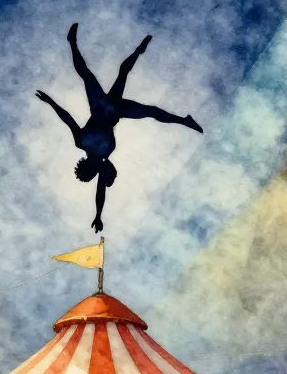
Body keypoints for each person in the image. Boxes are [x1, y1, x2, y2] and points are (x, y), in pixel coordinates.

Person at [37, 23, 203, 232]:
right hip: (115, 110)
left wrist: (51, 102)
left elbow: (68, 119)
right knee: (142, 99)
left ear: (90, 168)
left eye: (94, 173)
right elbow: (101, 191)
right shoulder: (102, 157)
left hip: (100, 106)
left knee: (90, 74)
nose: (99, 174)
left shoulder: (83, 142)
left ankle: (72, 43)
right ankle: (184, 120)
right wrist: (98, 215)